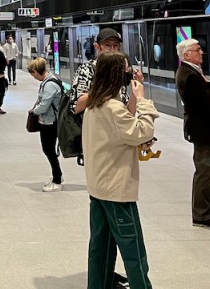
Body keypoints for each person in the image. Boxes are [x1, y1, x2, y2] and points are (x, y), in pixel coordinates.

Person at [84, 52, 158, 289]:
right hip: (117, 191)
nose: (130, 72)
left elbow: (121, 129)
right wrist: (143, 99)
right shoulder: (112, 108)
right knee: (133, 251)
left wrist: (133, 101)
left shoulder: (95, 105)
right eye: (127, 69)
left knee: (100, 250)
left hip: (98, 188)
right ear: (118, 74)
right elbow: (143, 130)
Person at [175, 38, 210, 227]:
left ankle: (208, 207)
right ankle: (201, 213)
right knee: (205, 170)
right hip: (201, 129)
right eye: (197, 50)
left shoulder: (191, 72)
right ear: (187, 55)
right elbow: (206, 102)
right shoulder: (189, 75)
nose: (201, 52)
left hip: (205, 129)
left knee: (209, 169)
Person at [27, 57, 64, 192]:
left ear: (37, 71)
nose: (33, 77)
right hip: (48, 121)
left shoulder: (49, 85)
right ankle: (57, 175)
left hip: (50, 123)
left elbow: (43, 106)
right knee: (49, 150)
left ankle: (57, 179)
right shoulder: (49, 81)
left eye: (33, 74)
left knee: (48, 150)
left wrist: (34, 111)